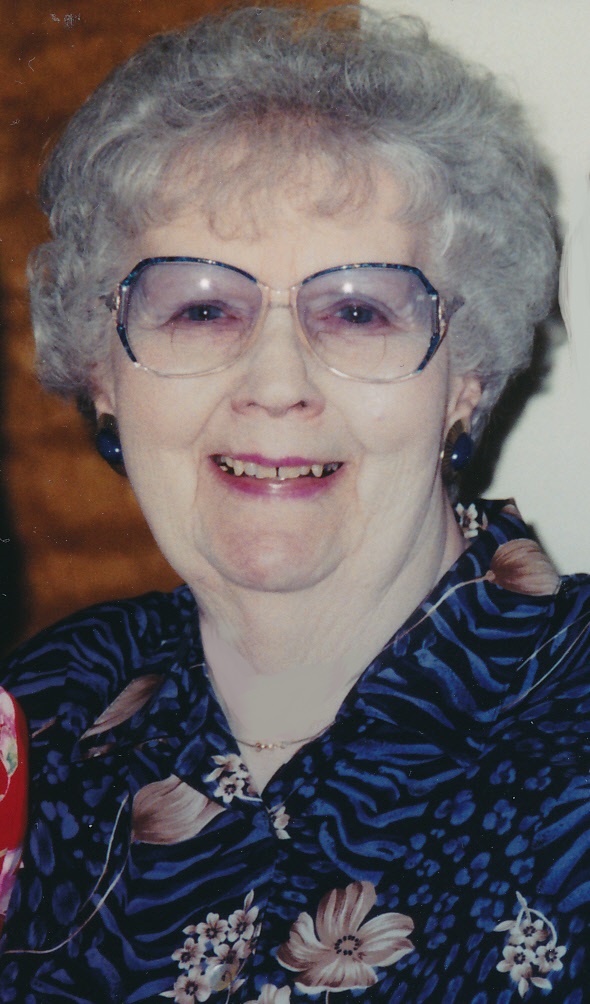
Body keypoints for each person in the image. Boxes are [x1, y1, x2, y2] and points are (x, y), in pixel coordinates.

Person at [0, 6, 588, 1001]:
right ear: (103, 373)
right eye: (200, 308)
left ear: (467, 376)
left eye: (357, 310)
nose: (275, 383)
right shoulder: (48, 709)